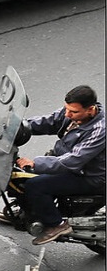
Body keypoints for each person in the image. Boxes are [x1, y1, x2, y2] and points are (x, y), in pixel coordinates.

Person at [8, 85, 105, 245]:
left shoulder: (100, 130)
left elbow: (74, 160)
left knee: (35, 185)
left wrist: (35, 163)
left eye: (73, 112)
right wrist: (20, 127)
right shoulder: (73, 112)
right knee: (23, 177)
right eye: (67, 109)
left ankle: (57, 225)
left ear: (90, 110)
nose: (67, 114)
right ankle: (28, 213)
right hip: (66, 162)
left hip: (88, 176)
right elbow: (50, 121)